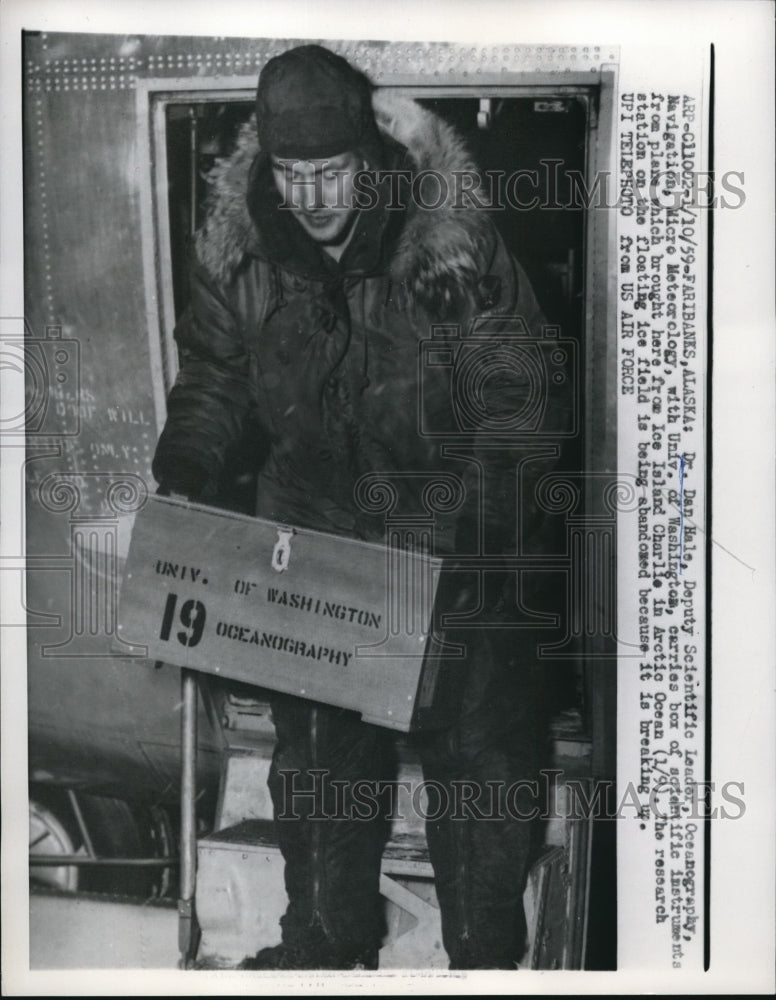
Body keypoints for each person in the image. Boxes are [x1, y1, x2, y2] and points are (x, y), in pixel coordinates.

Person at [153, 44, 569, 970]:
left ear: (370, 160)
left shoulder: (450, 250)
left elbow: (522, 412)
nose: (310, 197)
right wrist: (184, 469)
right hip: (321, 557)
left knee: (484, 785)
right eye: (290, 174)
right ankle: (326, 951)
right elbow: (218, 379)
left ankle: (483, 967)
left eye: (330, 171)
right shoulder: (242, 255)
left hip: (453, 553)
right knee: (320, 778)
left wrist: (472, 552)